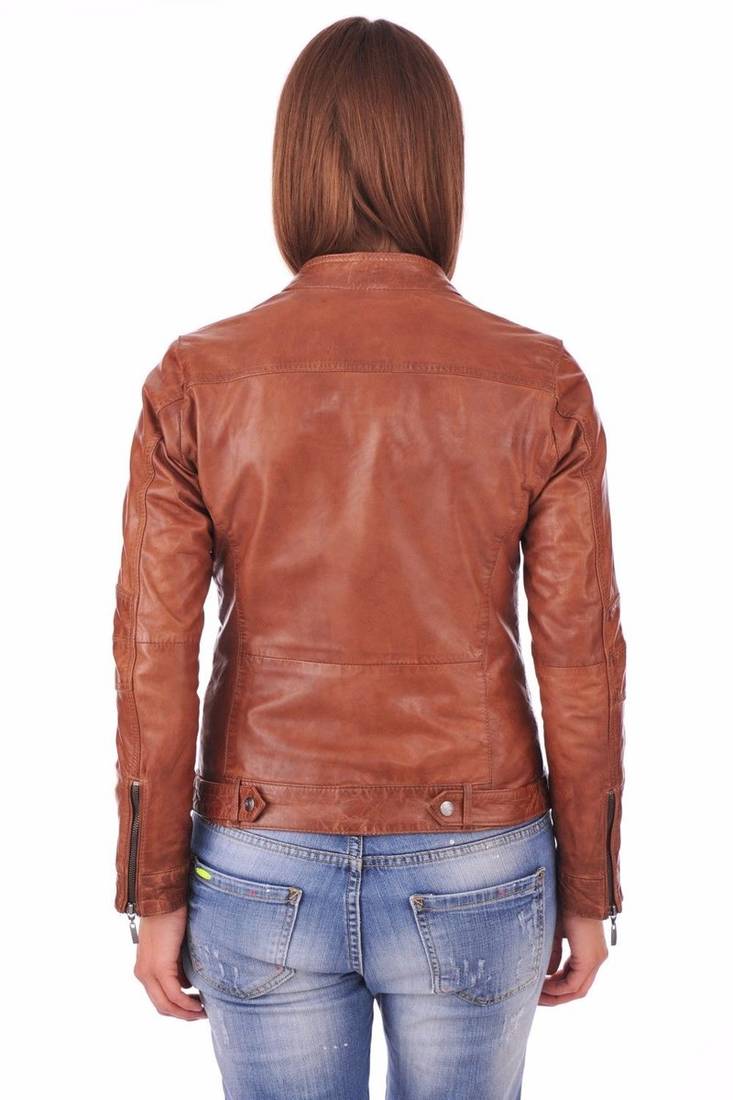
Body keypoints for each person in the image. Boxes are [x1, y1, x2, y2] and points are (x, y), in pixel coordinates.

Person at [112, 16, 627, 1100]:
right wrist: (588, 884)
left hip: (259, 849)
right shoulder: (539, 381)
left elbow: (154, 653)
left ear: (292, 169)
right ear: (441, 171)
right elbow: (580, 659)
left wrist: (154, 890)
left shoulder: (198, 377)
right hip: (478, 855)